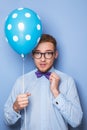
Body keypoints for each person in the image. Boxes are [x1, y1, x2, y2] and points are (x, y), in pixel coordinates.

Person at [4, 34, 83, 130]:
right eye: (38, 53)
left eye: (48, 53)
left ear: (55, 54)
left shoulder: (68, 81)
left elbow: (76, 121)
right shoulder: (21, 81)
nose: (42, 59)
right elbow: (7, 121)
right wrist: (15, 107)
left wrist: (56, 93)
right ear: (32, 55)